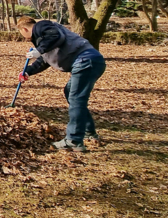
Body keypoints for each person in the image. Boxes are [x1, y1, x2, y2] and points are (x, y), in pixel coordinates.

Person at [16, 16, 106, 153]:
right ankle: (88, 132)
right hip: (91, 61)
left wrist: (39, 50)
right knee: (71, 93)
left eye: (22, 33)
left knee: (76, 98)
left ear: (24, 29)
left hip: (84, 60)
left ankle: (74, 140)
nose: (25, 37)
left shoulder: (42, 26)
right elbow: (44, 60)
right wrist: (28, 71)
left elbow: (55, 37)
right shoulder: (44, 38)